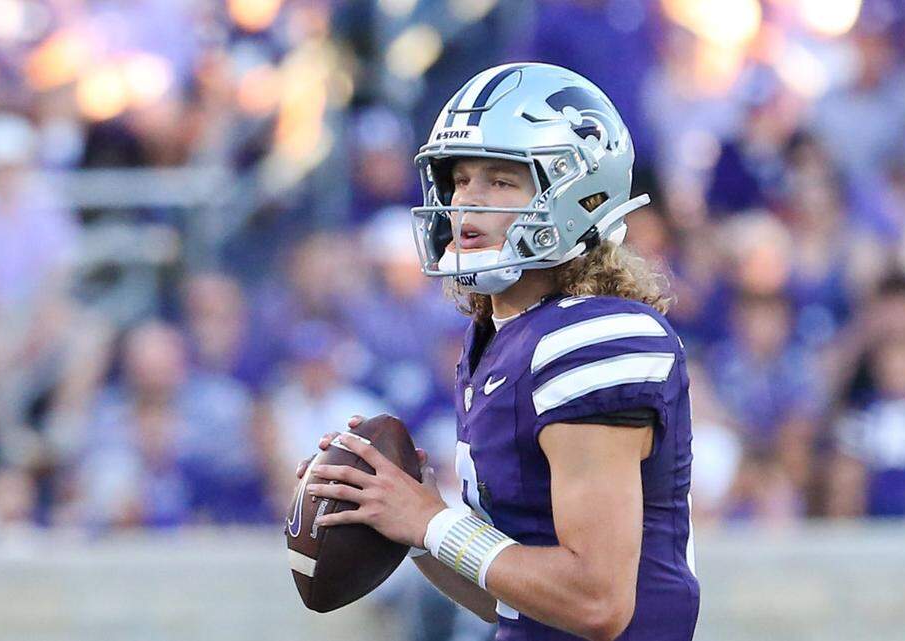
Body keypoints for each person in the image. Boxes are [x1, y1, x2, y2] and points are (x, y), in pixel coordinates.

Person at [296, 63, 699, 640]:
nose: (466, 202)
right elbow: (517, 604)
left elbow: (597, 602)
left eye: (501, 180)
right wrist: (408, 525)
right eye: (459, 179)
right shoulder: (498, 338)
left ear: (578, 194)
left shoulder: (593, 339)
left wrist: (433, 522)